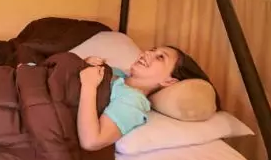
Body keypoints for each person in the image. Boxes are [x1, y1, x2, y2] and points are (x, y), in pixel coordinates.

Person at [76, 46, 210, 151]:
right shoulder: (118, 73)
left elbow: (92, 141)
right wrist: (85, 64)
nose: (147, 53)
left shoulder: (133, 100)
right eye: (152, 49)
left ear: (169, 81)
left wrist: (89, 85)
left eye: (160, 57)